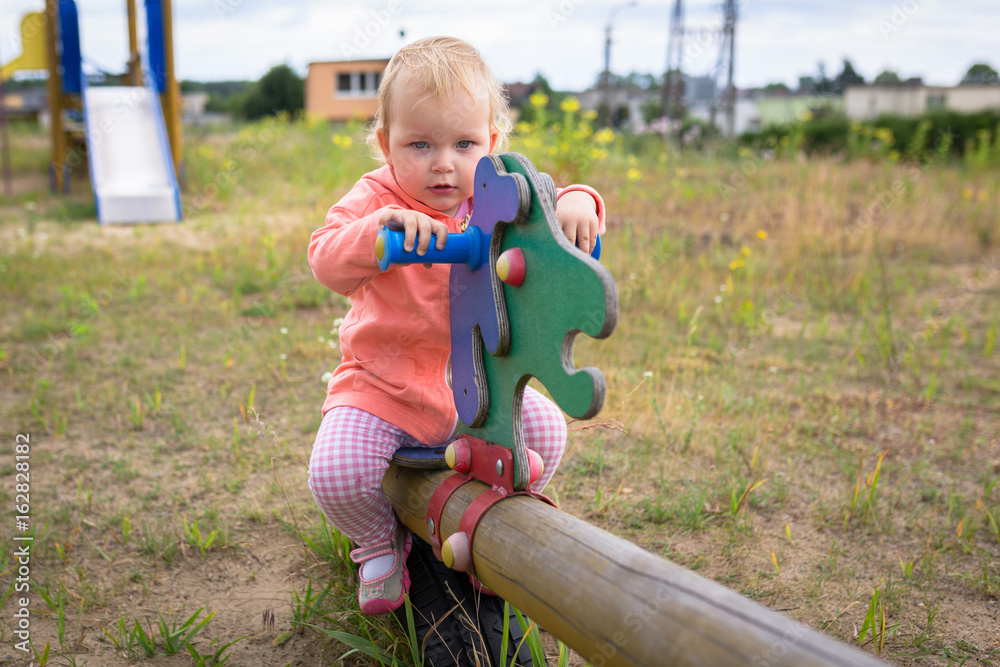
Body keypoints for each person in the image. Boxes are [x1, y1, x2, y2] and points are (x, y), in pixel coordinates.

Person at [307, 36, 606, 615]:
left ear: (491, 143)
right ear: (384, 145)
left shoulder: (493, 197)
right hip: (382, 387)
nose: (444, 163)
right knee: (336, 472)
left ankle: (500, 528)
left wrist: (578, 202)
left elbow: (549, 208)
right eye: (419, 144)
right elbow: (324, 257)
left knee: (546, 431)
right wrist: (376, 234)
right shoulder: (375, 200)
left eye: (464, 143)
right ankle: (377, 542)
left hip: (473, 389)